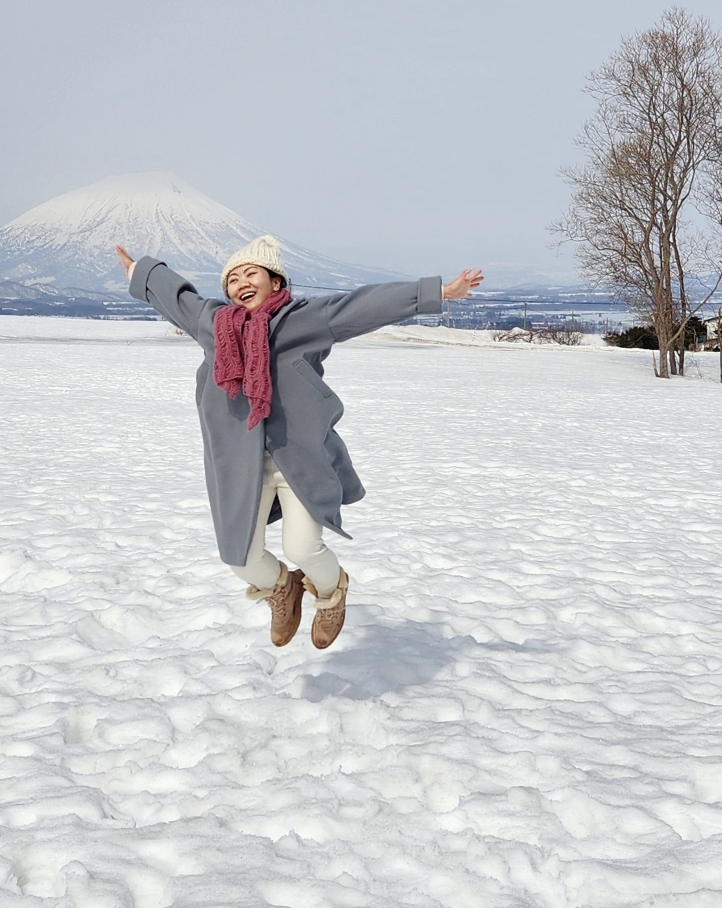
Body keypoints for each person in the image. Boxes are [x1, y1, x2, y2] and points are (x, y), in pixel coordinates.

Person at [114, 236, 483, 648]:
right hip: (239, 465)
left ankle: (331, 595)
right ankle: (282, 591)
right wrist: (137, 270)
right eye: (232, 279)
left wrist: (438, 292)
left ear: (275, 282)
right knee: (241, 558)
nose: (240, 283)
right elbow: (173, 295)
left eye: (250, 273)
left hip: (299, 459)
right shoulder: (214, 324)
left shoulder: (303, 320)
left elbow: (362, 306)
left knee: (303, 548)